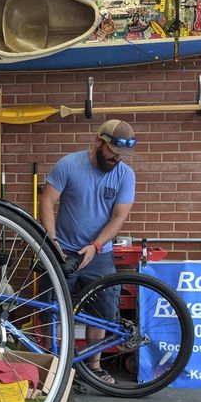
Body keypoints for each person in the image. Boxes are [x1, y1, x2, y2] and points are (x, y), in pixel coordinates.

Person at [39, 119, 137, 387]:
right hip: (62, 250)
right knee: (51, 308)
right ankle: (54, 366)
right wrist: (52, 241)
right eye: (113, 152)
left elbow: (119, 217)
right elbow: (47, 201)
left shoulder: (125, 175)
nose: (117, 159)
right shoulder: (69, 165)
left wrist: (95, 246)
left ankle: (94, 367)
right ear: (98, 141)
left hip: (100, 253)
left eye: (122, 155)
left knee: (102, 312)